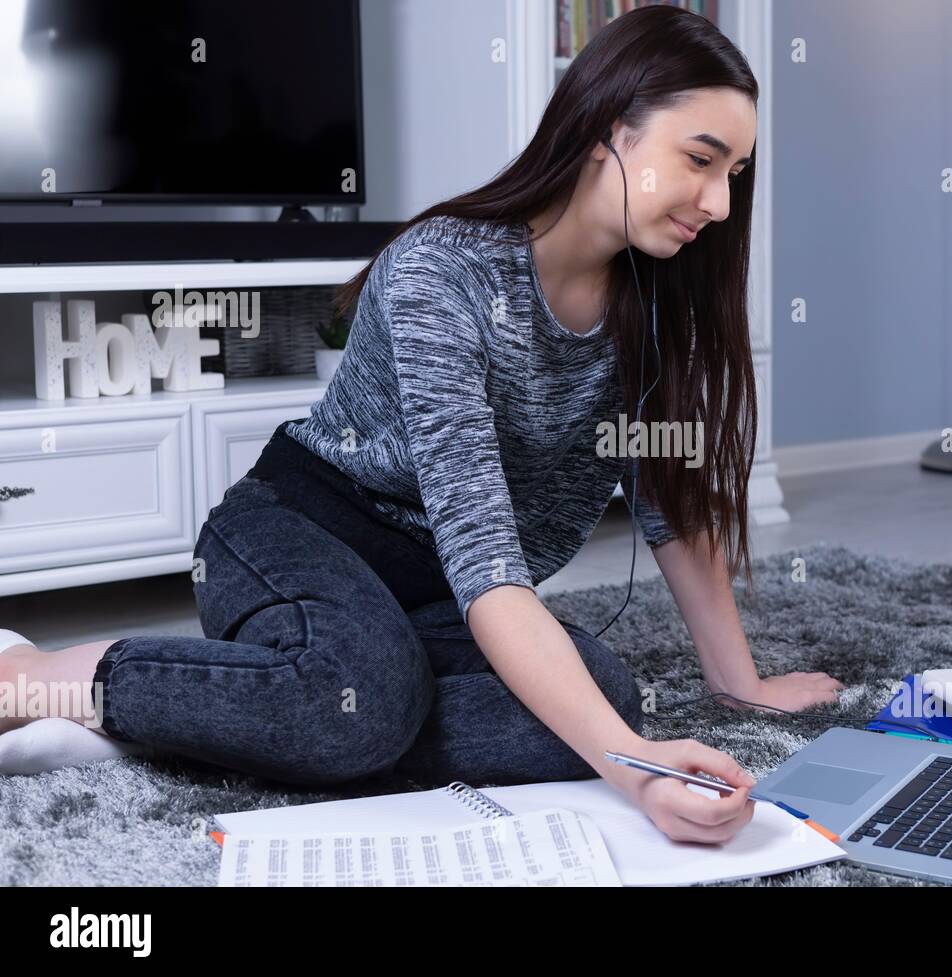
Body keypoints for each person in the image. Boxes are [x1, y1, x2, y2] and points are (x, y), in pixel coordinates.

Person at [0, 5, 844, 844]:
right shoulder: (444, 271)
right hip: (297, 532)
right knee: (378, 704)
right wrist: (637, 770)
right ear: (606, 130)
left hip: (437, 593)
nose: (720, 202)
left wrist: (738, 684)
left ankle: (261, 704)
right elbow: (485, 558)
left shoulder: (655, 302)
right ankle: (39, 675)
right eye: (700, 159)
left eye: (735, 171)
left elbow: (670, 497)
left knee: (604, 696)